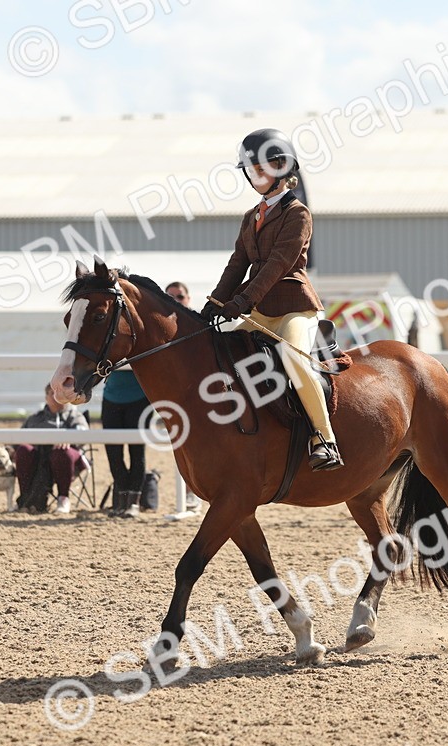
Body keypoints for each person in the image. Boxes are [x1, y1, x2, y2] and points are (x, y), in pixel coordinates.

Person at [202, 127, 342, 471]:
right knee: (221, 355)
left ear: (281, 168)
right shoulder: (251, 217)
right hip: (261, 311)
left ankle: (325, 440)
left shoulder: (298, 214)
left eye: (261, 170)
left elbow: (278, 265)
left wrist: (242, 302)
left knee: (295, 359)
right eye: (251, 171)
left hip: (294, 308)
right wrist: (214, 303)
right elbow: (237, 264)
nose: (255, 177)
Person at [15, 383, 89, 514]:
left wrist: (69, 439)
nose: (56, 397)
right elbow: (18, 439)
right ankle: (26, 498)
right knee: (24, 450)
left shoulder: (75, 416)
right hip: (39, 458)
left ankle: (63, 498)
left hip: (65, 459)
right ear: (46, 397)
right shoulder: (34, 419)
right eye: (52, 393)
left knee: (61, 452)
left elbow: (83, 434)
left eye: (60, 393)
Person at [164, 281, 202, 513]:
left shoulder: (199, 324)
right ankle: (191, 494)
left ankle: (195, 495)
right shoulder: (162, 328)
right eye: (169, 297)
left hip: (205, 397)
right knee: (185, 450)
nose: (175, 301)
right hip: (178, 401)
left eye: (179, 297)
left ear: (188, 299)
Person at [101, 366, 149, 518]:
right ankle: (121, 501)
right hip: (110, 398)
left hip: (139, 398)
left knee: (137, 451)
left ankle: (133, 502)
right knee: (113, 453)